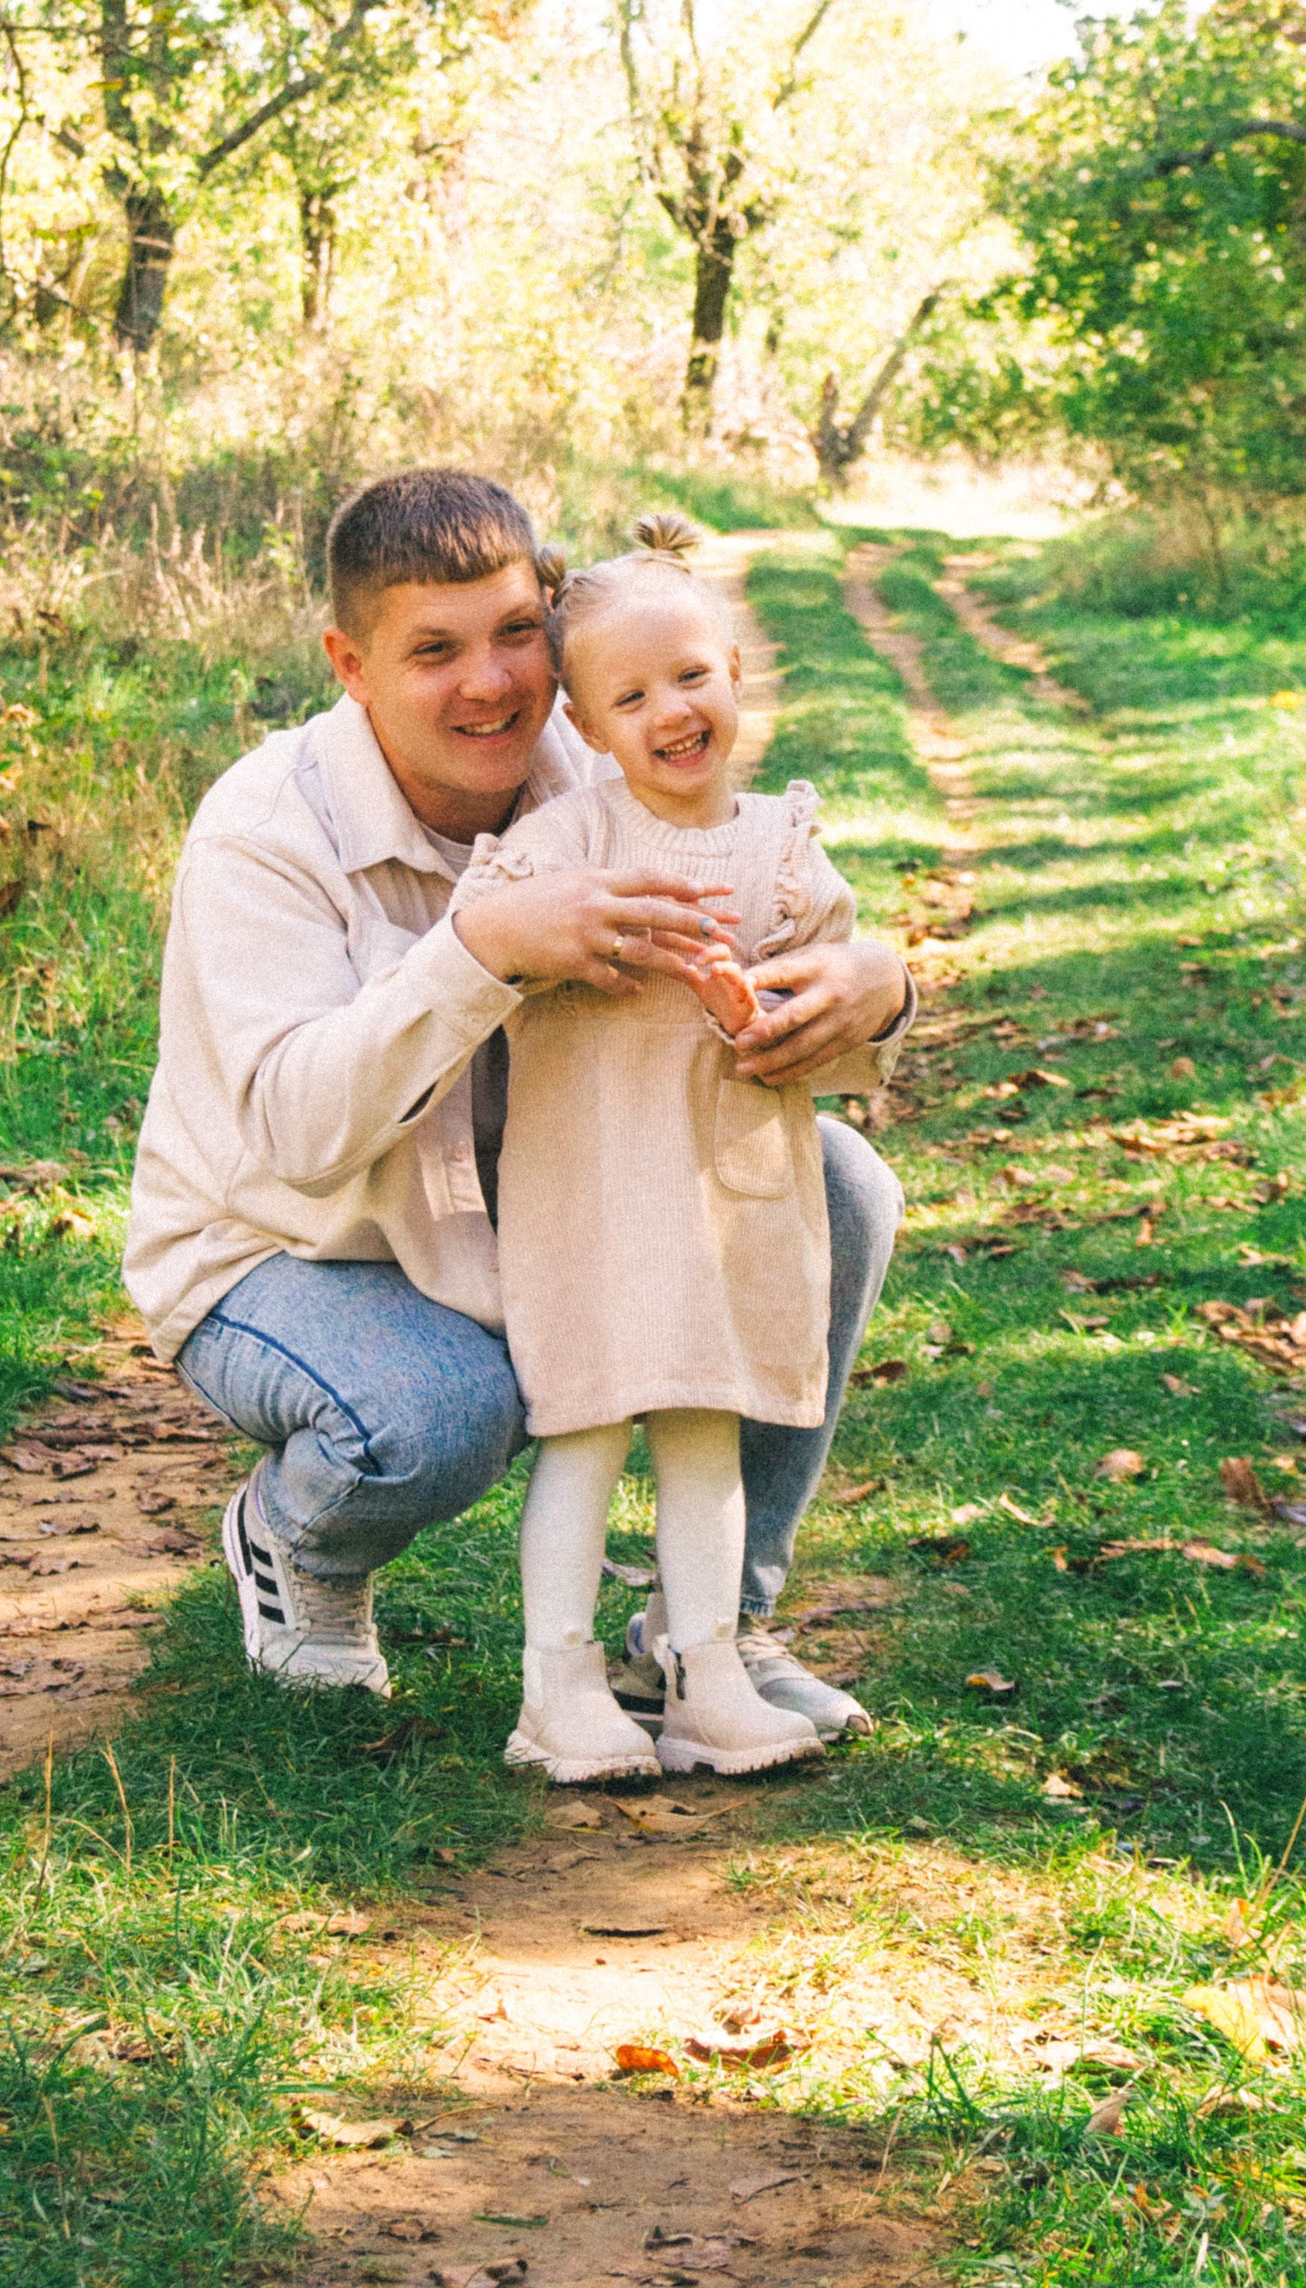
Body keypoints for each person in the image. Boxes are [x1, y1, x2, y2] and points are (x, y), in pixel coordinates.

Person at [123, 467, 913, 1728]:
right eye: (432, 650)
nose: (487, 684)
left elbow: (767, 897)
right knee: (438, 1412)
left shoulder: (598, 747)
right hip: (287, 1250)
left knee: (843, 1189)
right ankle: (296, 1542)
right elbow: (291, 1140)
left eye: (511, 638)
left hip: (543, 1198)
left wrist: (873, 983)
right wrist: (483, 948)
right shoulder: (263, 831)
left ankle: (710, 1631)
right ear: (349, 661)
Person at [468, 514, 880, 1780]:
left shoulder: (781, 851)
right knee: (588, 1429)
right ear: (586, 729)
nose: (669, 712)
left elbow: (844, 1003)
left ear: (739, 674)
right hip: (591, 1191)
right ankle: (560, 1686)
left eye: (691, 676)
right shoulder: (579, 838)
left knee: (708, 1430)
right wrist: (546, 927)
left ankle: (705, 1672)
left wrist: (816, 999)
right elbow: (481, 925)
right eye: (630, 696)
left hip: (731, 1194)